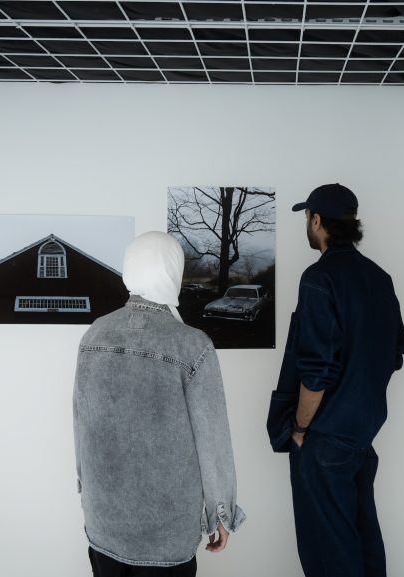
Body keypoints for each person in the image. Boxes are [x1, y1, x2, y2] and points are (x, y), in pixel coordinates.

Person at [73, 231, 245, 577]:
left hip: (104, 522)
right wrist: (221, 511)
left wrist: (85, 484)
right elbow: (212, 441)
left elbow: (82, 425)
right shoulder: (192, 346)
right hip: (166, 535)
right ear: (172, 272)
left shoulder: (94, 336)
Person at [276, 183, 404, 577]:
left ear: (317, 221)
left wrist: (300, 427)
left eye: (307, 217)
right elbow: (397, 350)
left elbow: (316, 371)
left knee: (328, 556)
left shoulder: (318, 279)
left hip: (325, 439)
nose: (307, 223)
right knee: (364, 541)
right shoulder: (379, 278)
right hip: (363, 437)